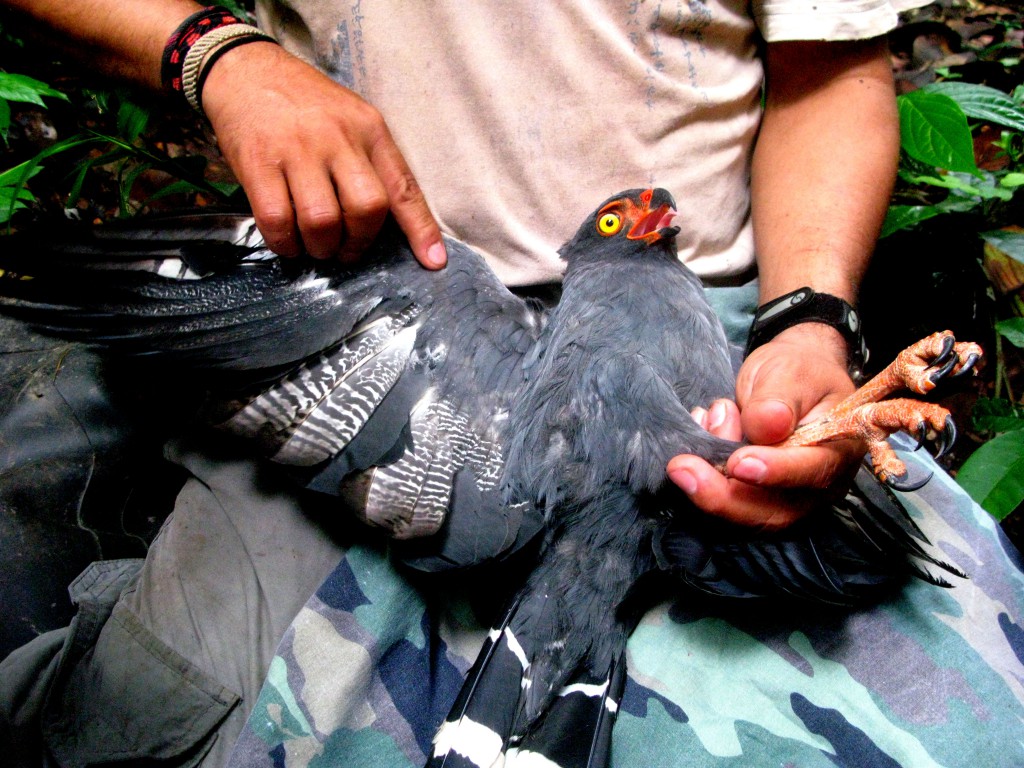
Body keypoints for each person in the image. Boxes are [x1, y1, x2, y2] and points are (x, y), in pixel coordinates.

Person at [0, 1, 1021, 766]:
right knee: (164, 714)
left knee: (971, 715)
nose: (643, 217)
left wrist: (807, 323)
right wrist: (215, 51)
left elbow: (831, 76)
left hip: (724, 335)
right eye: (627, 218)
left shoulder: (672, 297)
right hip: (384, 288)